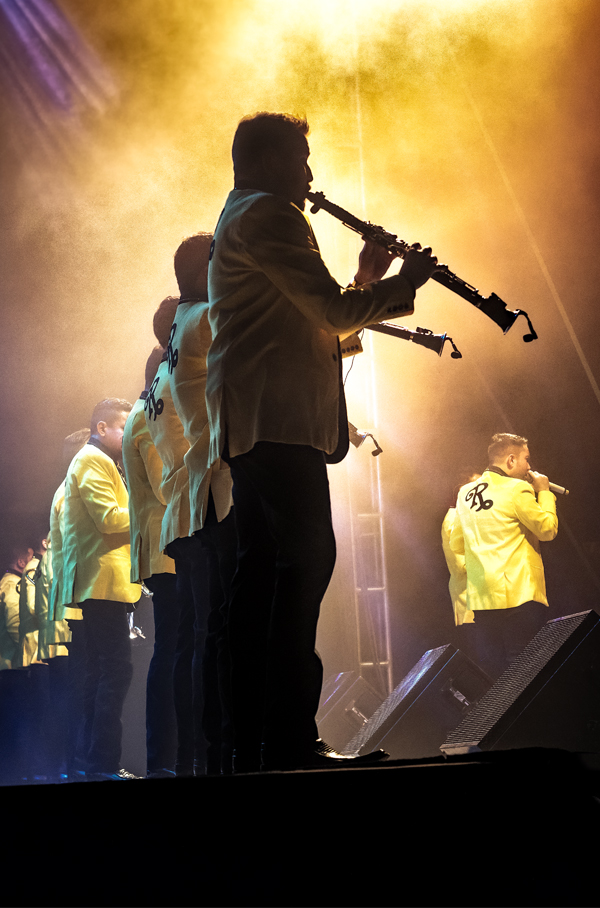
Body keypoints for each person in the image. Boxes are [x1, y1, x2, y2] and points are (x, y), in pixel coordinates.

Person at [206, 111, 438, 771]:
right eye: (301, 160)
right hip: (279, 427)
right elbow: (331, 316)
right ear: (270, 160)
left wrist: (367, 281)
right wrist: (406, 285)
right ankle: (286, 742)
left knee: (263, 585)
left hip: (260, 427)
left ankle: (252, 742)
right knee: (299, 576)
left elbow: (315, 323)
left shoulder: (241, 217)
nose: (310, 174)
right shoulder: (270, 216)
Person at [168, 235, 237, 775]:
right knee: (219, 630)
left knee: (207, 632)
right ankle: (222, 752)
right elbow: (269, 346)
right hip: (216, 487)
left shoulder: (183, 323)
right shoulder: (205, 318)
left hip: (200, 492)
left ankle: (209, 753)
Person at [61, 398, 141, 780]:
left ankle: (91, 762)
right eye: (124, 426)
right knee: (115, 671)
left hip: (103, 584)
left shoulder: (100, 461)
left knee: (99, 673)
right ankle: (103, 764)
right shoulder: (93, 460)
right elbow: (110, 520)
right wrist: (149, 504)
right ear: (103, 428)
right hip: (102, 583)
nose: (129, 434)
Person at [449, 433, 559, 679]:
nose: (529, 467)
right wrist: (544, 493)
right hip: (519, 595)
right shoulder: (516, 488)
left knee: (497, 676)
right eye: (526, 459)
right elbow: (547, 530)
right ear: (511, 460)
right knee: (528, 674)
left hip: (484, 599)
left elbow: (456, 542)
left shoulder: (465, 494)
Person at [122, 345, 179, 778]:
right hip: (166, 551)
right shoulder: (148, 416)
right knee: (173, 654)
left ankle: (167, 756)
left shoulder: (142, 414)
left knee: (172, 653)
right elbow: (165, 486)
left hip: (161, 551)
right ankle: (166, 758)